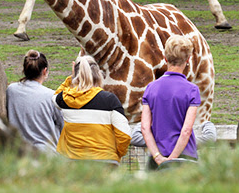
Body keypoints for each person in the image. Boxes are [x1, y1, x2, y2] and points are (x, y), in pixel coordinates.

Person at [54, 55, 131, 164]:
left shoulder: (66, 99)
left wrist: (71, 78)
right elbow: (124, 134)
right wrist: (116, 154)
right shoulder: (110, 100)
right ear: (99, 75)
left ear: (76, 75)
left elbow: (56, 96)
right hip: (105, 160)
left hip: (73, 161)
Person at [141, 35, 201, 170]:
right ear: (188, 60)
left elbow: (145, 128)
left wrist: (158, 157)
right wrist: (172, 159)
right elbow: (186, 130)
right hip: (185, 156)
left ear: (165, 58)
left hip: (157, 158)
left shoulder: (151, 88)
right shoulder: (192, 90)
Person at [6, 49, 64, 154]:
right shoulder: (51, 95)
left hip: (18, 151)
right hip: (46, 154)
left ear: (24, 70)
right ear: (45, 71)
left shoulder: (11, 90)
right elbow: (62, 125)